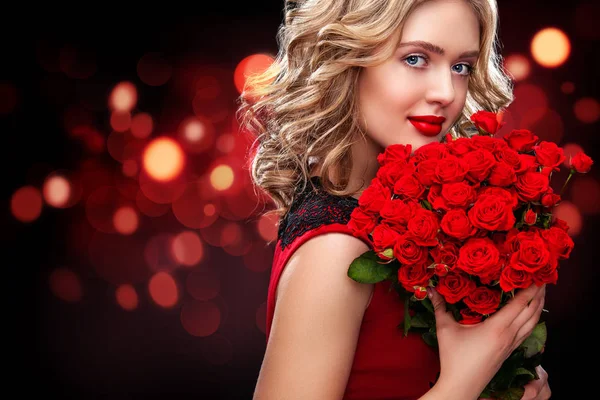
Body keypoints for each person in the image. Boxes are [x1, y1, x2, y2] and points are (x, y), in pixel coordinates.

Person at [237, 0, 552, 399]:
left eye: (461, 67)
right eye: (417, 58)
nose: (445, 93)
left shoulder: (398, 224)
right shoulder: (335, 250)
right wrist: (465, 379)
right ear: (348, 58)